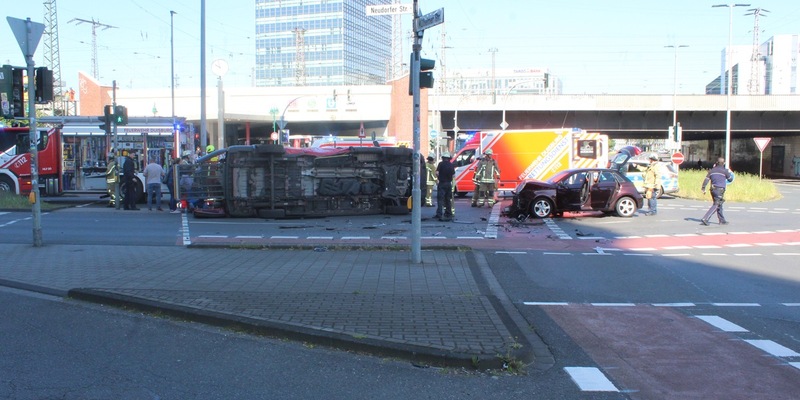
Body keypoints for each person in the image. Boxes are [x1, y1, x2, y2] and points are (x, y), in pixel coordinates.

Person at [700, 157, 734, 226]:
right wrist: (729, 173)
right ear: (723, 163)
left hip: (712, 190)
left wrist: (703, 188)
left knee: (719, 204)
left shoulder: (712, 170)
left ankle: (722, 220)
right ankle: (705, 218)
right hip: (719, 190)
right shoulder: (725, 171)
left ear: (717, 162)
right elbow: (730, 179)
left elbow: (706, 179)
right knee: (717, 204)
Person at [434, 152, 455, 221]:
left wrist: (439, 177)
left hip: (442, 183)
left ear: (443, 158)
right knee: (448, 199)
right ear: (449, 158)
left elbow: (437, 173)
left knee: (440, 200)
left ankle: (439, 214)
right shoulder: (451, 165)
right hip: (449, 184)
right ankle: (448, 213)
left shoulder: (441, 164)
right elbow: (453, 175)